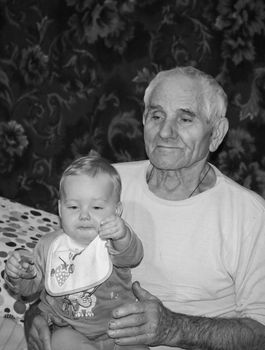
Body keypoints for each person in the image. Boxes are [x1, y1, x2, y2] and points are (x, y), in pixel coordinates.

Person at [26, 66, 265, 350]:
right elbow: (56, 265)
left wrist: (173, 328)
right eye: (156, 115)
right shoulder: (107, 184)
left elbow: (260, 332)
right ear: (144, 121)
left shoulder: (249, 215)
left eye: (185, 118)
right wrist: (35, 315)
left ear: (216, 134)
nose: (165, 131)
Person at [4, 156, 147, 350]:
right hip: (70, 330)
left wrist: (122, 234)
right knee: (60, 341)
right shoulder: (49, 246)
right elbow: (30, 288)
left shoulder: (114, 243)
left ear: (117, 211)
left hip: (120, 330)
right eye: (73, 207)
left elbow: (133, 256)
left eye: (96, 207)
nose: (84, 215)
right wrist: (19, 275)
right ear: (60, 209)